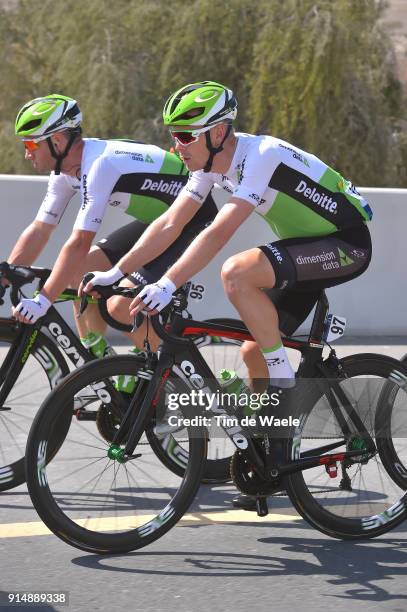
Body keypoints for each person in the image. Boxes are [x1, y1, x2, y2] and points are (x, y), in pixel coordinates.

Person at [82, 80, 373, 508]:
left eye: (184, 135)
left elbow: (219, 232)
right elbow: (168, 225)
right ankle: (272, 458)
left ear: (218, 133)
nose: (176, 145)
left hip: (344, 244)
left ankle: (286, 382)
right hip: (306, 251)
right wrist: (117, 272)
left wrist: (168, 283)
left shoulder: (262, 156)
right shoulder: (209, 167)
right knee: (253, 351)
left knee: (237, 273)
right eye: (172, 135)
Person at [8, 94, 218, 359]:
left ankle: (173, 368)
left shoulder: (99, 165)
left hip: (192, 220)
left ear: (57, 141)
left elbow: (79, 242)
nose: (26, 154)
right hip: (158, 221)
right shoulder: (63, 173)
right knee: (79, 273)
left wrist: (43, 300)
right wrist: (8, 272)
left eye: (30, 144)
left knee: (121, 306)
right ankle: (99, 365)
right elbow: (39, 230)